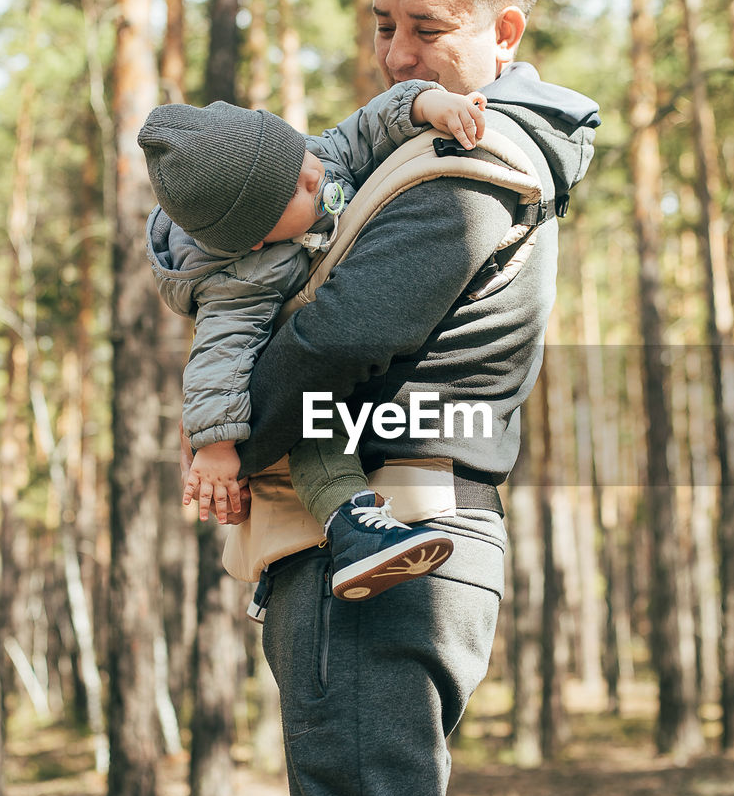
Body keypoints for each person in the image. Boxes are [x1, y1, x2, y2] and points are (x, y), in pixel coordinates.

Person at [193, 0, 599, 796]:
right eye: (382, 26)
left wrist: (223, 414)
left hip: (378, 551)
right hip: (413, 536)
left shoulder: (466, 166)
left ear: (503, 29)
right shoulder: (446, 145)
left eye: (427, 27)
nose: (397, 54)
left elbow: (330, 343)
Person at [140, 81, 488, 602]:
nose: (316, 175)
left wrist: (431, 105)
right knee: (315, 426)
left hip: (353, 364)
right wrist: (215, 448)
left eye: (301, 155)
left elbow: (370, 123)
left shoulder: (314, 157)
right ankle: (353, 530)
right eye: (298, 190)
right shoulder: (239, 279)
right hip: (292, 385)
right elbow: (219, 356)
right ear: (258, 237)